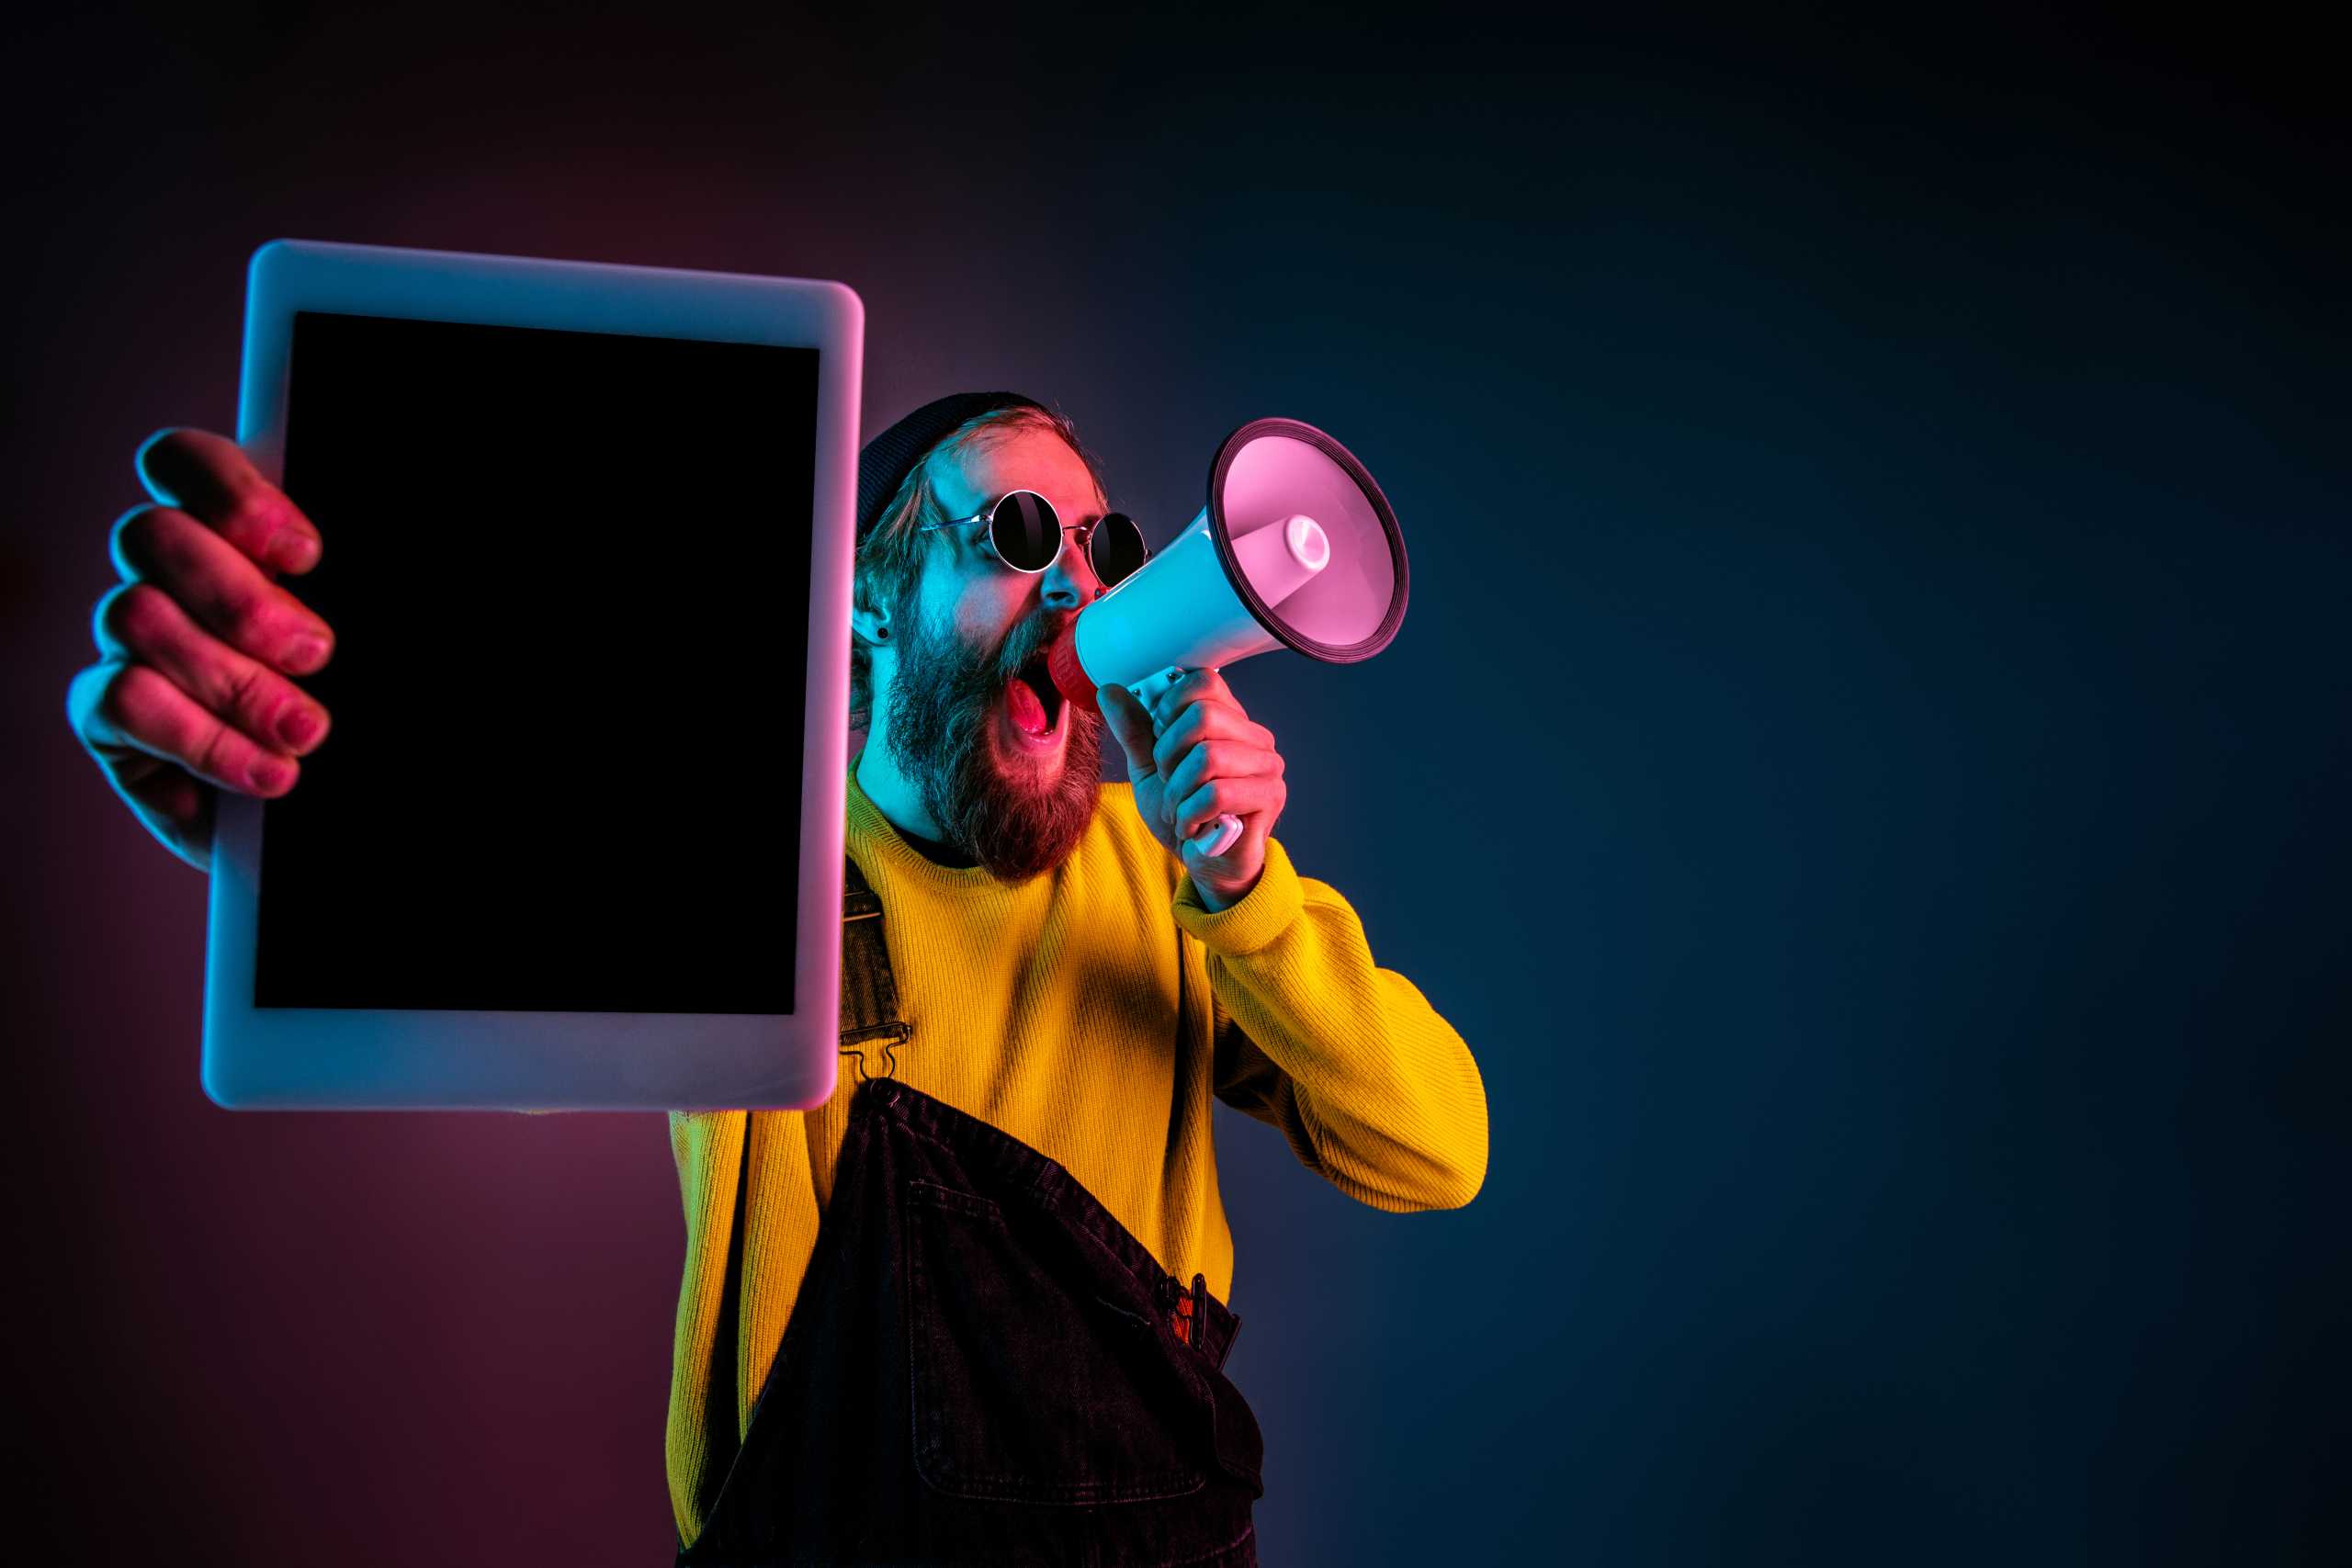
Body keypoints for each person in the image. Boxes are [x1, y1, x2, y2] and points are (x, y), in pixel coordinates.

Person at [66, 391, 1490, 1566]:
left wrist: (1249, 894)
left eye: (1103, 543)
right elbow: (497, 992)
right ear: (871, 602)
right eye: (1012, 533)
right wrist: (299, 830)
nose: (1077, 580)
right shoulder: (753, 861)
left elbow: (1437, 1149)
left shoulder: (1185, 885)